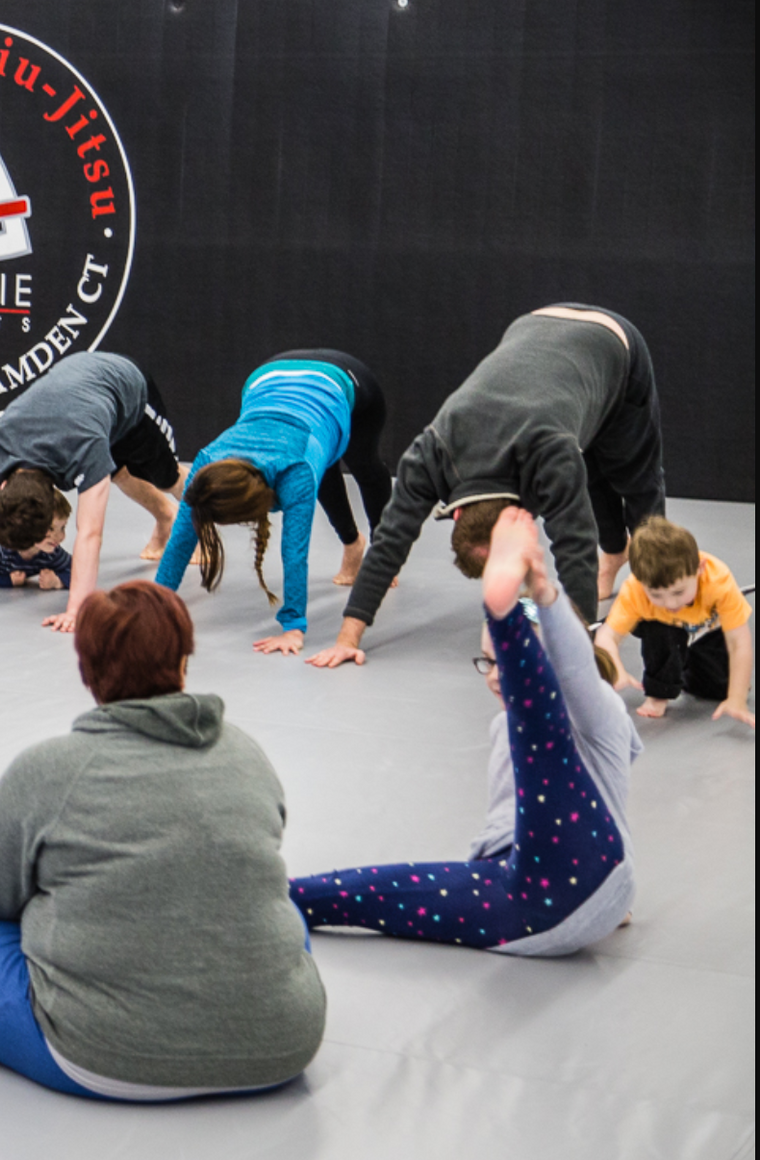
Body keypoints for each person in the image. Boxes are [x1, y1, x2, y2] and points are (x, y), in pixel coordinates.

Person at [0, 581, 326, 1100]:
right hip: (282, 1045)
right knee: (267, 907)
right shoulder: (246, 752)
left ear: (87, 670)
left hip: (108, 1055)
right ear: (184, 659)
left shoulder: (48, 770)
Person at [292, 508, 639, 954]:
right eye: (488, 663)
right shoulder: (505, 729)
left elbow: (573, 668)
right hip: (522, 905)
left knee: (539, 729)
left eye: (508, 664)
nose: (497, 677)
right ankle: (272, 895)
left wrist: (542, 591)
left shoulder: (598, 713)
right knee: (367, 892)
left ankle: (506, 617)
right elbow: (501, 826)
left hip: (591, 870)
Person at [310, 306, 664, 669]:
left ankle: (647, 576)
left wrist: (575, 656)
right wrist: (346, 639)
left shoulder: (548, 452)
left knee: (636, 478)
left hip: (613, 343)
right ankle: (615, 551)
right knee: (587, 463)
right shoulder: (431, 453)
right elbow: (388, 543)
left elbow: (575, 548)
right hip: (534, 328)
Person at [0, 351, 182, 633]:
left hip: (124, 384)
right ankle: (167, 518)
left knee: (167, 478)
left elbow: (90, 534)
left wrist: (76, 610)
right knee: (117, 472)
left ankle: (195, 516)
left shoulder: (85, 447)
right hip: (78, 396)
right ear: (2, 487)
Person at [152, 350, 394, 654]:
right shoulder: (207, 465)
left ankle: (380, 549)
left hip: (345, 380)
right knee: (320, 458)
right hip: (267, 378)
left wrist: (294, 628)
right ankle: (352, 542)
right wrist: (153, 609)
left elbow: (295, 552)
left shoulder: (295, 472)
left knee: (363, 464)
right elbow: (180, 542)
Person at [596, 516, 753, 725]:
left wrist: (737, 697)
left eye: (678, 591)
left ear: (700, 568)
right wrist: (616, 670)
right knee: (661, 632)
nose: (670, 602)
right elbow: (606, 636)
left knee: (719, 687)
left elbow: (738, 642)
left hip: (706, 626)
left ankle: (687, 658)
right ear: (641, 583)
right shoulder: (635, 590)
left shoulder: (718, 581)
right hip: (658, 622)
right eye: (657, 594)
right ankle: (660, 691)